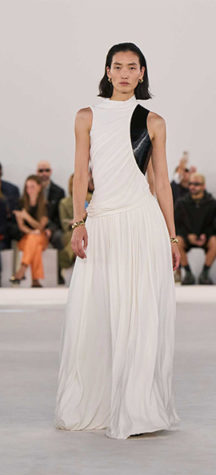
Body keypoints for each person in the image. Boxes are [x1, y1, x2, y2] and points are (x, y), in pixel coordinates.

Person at [56, 43, 179, 439]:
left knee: (140, 313)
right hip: (103, 223)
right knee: (96, 313)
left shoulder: (153, 121)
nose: (125, 74)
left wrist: (172, 236)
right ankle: (101, 402)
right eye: (118, 66)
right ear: (107, 71)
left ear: (142, 73)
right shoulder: (87, 116)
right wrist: (78, 222)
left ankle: (138, 407)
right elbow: (80, 174)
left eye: (132, 67)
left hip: (142, 222)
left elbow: (161, 183)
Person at [175, 173, 216, 285]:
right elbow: (177, 224)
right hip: (186, 237)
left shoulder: (212, 203)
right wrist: (187, 236)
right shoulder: (181, 203)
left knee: (215, 242)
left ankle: (205, 274)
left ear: (203, 186)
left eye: (196, 184)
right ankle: (188, 274)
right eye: (191, 184)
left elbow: (213, 224)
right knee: (176, 241)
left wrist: (205, 235)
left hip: (205, 237)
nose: (193, 186)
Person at [9, 175, 49, 287]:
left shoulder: (45, 205)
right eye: (27, 187)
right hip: (25, 238)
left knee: (35, 241)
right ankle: (35, 281)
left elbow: (41, 227)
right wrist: (32, 232)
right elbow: (21, 226)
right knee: (35, 244)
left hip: (42, 238)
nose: (29, 190)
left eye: (32, 187)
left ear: (39, 187)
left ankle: (22, 269)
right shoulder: (20, 203)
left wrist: (27, 217)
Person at [37, 160, 66, 284]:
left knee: (59, 237)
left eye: (47, 170)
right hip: (35, 226)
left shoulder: (59, 191)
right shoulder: (32, 189)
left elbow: (59, 217)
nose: (44, 173)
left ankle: (58, 272)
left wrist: (50, 229)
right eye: (41, 170)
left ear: (51, 172)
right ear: (37, 172)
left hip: (53, 227)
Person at [57, 174, 93, 273]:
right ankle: (74, 255)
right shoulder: (64, 203)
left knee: (84, 237)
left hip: (90, 229)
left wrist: (84, 216)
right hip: (71, 231)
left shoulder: (92, 199)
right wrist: (77, 221)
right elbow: (64, 224)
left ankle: (68, 255)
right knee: (76, 236)